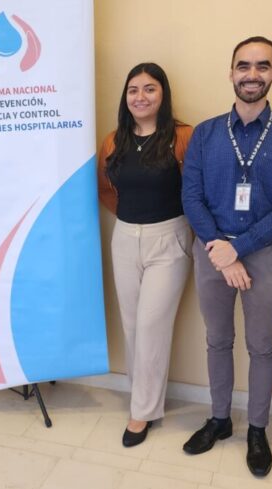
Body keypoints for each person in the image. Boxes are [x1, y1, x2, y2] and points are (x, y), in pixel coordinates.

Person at [181, 37, 272, 476]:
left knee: (261, 346)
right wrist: (221, 250)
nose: (252, 74)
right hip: (210, 251)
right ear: (231, 72)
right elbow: (192, 197)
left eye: (262, 66)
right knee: (217, 339)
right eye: (244, 65)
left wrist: (238, 248)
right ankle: (219, 419)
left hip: (262, 254)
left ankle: (257, 429)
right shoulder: (205, 133)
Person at [97, 62, 193, 447]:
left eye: (149, 89)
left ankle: (142, 412)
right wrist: (127, 217)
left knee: (153, 325)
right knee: (132, 325)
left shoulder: (183, 137)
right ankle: (143, 397)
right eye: (133, 90)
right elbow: (105, 189)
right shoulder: (113, 141)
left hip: (169, 238)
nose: (140, 97)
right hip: (124, 237)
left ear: (163, 94)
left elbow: (197, 188)